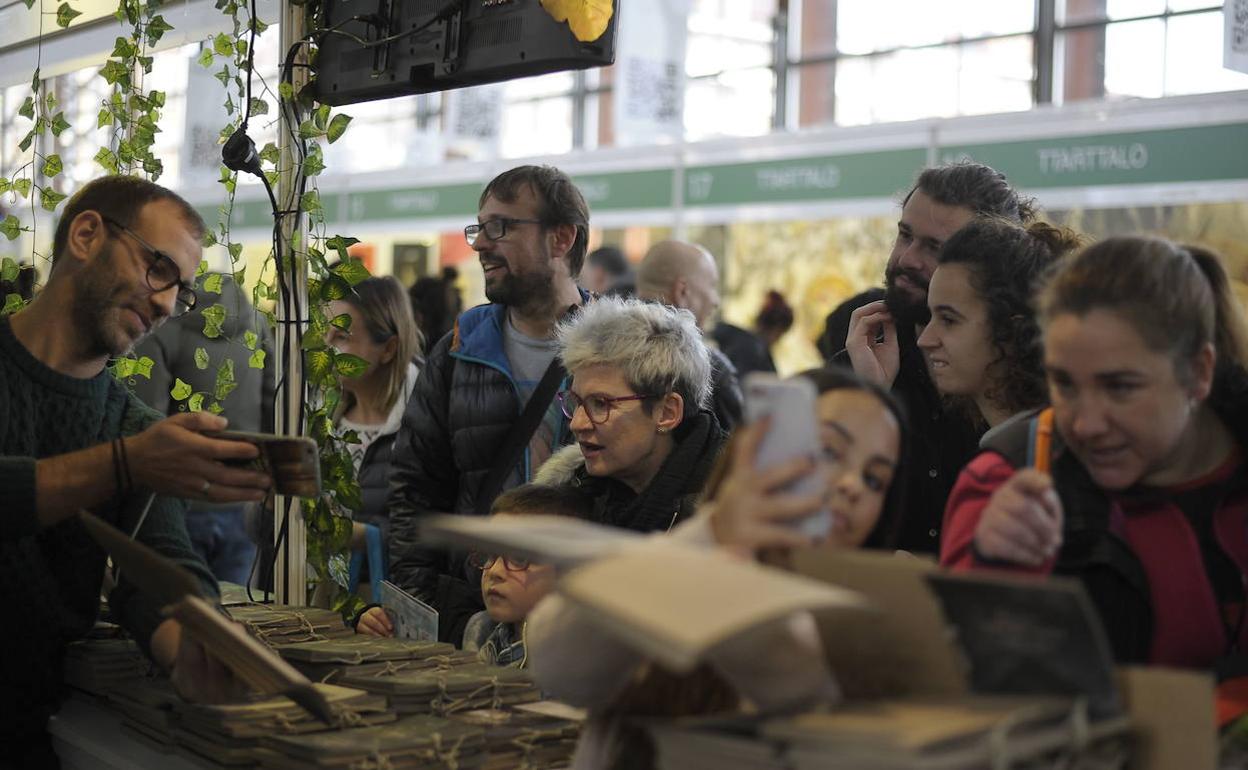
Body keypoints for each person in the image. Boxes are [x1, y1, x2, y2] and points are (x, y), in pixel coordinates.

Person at [0, 175, 271, 766]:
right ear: (87, 234)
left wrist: (194, 646)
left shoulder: (131, 424)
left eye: (182, 291)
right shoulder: (133, 444)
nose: (167, 304)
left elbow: (163, 561)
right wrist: (125, 464)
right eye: (159, 269)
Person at [527, 366, 908, 769]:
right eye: (830, 452)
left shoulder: (880, 622)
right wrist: (713, 534)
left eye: (874, 478)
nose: (852, 485)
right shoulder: (684, 558)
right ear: (756, 453)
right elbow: (559, 666)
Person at [941, 236, 1248, 670]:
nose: (1086, 424)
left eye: (1120, 387)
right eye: (1064, 384)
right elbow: (957, 684)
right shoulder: (1008, 484)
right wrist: (993, 576)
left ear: (1198, 372)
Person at [387, 164, 592, 646]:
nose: (480, 244)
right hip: (471, 619)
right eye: (480, 227)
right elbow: (415, 492)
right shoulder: (458, 349)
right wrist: (423, 613)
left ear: (561, 238)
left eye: (501, 227)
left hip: (583, 626)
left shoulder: (616, 350)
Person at [836, 161, 1036, 554]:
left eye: (935, 247)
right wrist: (869, 403)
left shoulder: (1025, 398)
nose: (908, 258)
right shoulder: (859, 362)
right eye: (904, 235)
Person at [533, 296, 726, 532]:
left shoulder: (736, 513)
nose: (577, 424)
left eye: (601, 404)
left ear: (667, 413)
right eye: (576, 402)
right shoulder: (565, 491)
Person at [132, 274, 275, 586]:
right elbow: (272, 404)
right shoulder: (257, 325)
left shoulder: (163, 328)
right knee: (237, 616)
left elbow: (146, 419)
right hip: (243, 493)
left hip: (180, 496)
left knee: (180, 610)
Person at [915, 218, 1081, 436]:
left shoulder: (1050, 452)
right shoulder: (1020, 442)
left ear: (1012, 330)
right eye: (931, 316)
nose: (924, 340)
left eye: (948, 320)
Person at [325, 276, 422, 546]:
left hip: (386, 585)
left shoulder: (425, 419)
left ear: (388, 349)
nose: (325, 347)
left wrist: (365, 537)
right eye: (324, 334)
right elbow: (260, 530)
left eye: (341, 336)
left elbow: (428, 527)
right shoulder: (318, 414)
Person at [636, 239, 744, 431]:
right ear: (682, 291)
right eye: (712, 286)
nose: (715, 301)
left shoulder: (596, 349)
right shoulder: (712, 370)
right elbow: (735, 451)